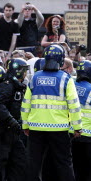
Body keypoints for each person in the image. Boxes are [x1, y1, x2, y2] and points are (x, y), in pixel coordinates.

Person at [21, 44, 82, 181]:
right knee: (64, 163)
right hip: (59, 128)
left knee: (33, 164)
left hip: (35, 127)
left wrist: (25, 125)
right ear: (61, 60)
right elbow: (74, 105)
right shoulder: (66, 78)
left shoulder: (35, 77)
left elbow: (26, 104)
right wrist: (77, 127)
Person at [71, 60, 91, 181]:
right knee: (87, 171)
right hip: (88, 135)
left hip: (72, 133)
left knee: (75, 168)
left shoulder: (72, 85)